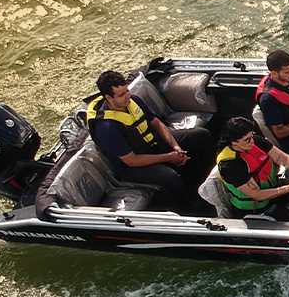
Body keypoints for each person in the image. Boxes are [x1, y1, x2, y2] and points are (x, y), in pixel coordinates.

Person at [85, 70, 214, 213]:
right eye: (121, 95)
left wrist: (176, 147)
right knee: (170, 177)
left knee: (201, 136)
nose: (127, 96)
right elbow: (131, 160)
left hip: (153, 143)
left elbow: (157, 124)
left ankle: (204, 180)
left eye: (127, 91)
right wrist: (169, 157)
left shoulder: (133, 101)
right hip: (133, 166)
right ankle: (187, 208)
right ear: (108, 97)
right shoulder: (107, 128)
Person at [216, 117, 289, 219]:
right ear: (234, 142)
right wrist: (287, 188)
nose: (252, 141)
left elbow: (283, 159)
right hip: (257, 208)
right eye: (247, 140)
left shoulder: (256, 142)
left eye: (251, 136)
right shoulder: (231, 165)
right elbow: (257, 194)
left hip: (272, 189)